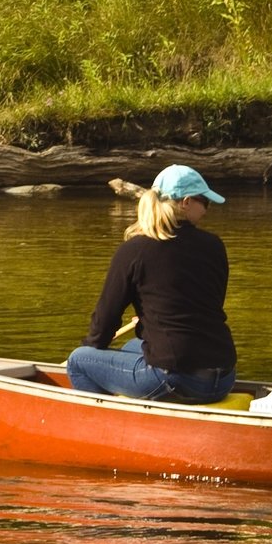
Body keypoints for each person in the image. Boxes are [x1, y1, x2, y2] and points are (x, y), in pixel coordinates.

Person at [63, 164, 239, 402]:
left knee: (78, 360)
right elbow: (203, 307)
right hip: (224, 377)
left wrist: (92, 348)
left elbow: (105, 320)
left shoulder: (134, 250)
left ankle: (111, 427)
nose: (207, 209)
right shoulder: (214, 245)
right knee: (131, 347)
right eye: (204, 201)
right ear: (186, 202)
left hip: (178, 381)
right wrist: (149, 321)